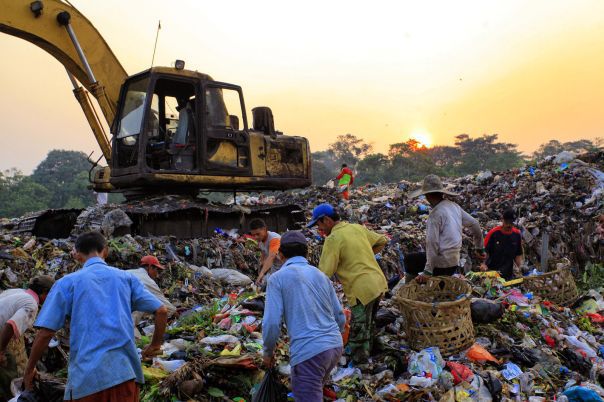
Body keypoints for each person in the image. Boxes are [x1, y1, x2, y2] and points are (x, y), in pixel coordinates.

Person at [23, 232, 168, 401]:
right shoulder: (127, 278)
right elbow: (162, 311)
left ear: (76, 254)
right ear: (105, 251)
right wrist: (154, 345)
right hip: (125, 374)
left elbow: (46, 333)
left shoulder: (67, 283)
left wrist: (29, 369)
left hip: (88, 379)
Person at [263, 231, 345, 402]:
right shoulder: (321, 275)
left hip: (309, 353)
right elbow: (339, 315)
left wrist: (268, 352)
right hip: (334, 347)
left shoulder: (277, 279)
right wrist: (332, 338)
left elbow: (271, 323)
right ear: (306, 253)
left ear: (280, 255)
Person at [309, 203, 388, 364]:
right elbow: (382, 240)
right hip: (378, 283)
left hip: (361, 289)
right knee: (370, 323)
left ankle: (361, 365)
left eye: (319, 224)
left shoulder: (333, 239)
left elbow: (324, 273)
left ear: (326, 220)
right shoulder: (356, 228)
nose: (319, 229)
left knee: (359, 330)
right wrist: (365, 255)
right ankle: (373, 355)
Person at [410, 175, 485, 283]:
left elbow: (432, 243)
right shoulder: (454, 206)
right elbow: (474, 224)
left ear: (427, 195)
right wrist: (480, 248)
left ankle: (412, 291)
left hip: (441, 265)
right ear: (441, 192)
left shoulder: (435, 214)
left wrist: (428, 270)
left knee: (409, 260)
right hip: (454, 262)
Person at [0, 276, 54, 400]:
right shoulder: (31, 304)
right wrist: (1, 351)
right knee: (9, 370)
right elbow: (10, 325)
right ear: (44, 293)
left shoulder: (19, 291)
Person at [130, 255, 177, 333]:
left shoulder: (129, 272)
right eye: (157, 270)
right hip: (123, 320)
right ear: (150, 267)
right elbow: (163, 304)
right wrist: (177, 314)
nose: (157, 275)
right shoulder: (146, 279)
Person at [480, 208, 524, 280]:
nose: (508, 225)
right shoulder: (493, 233)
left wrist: (519, 268)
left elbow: (518, 254)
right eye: (506, 222)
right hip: (491, 273)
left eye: (511, 222)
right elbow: (485, 251)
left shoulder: (517, 235)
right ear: (502, 220)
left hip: (507, 274)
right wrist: (483, 264)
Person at [249, 218, 282, 286]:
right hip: (275, 269)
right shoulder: (261, 241)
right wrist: (261, 268)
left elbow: (271, 257)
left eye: (258, 234)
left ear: (264, 229)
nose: (256, 237)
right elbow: (263, 255)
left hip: (284, 269)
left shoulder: (274, 239)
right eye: (253, 235)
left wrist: (261, 274)